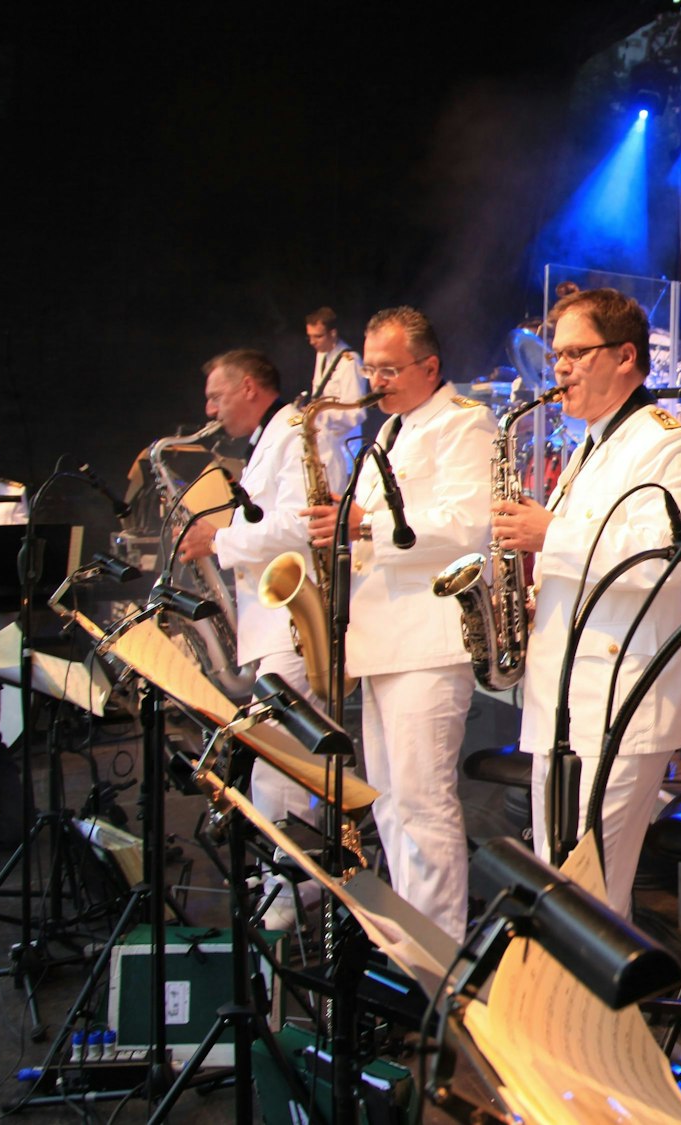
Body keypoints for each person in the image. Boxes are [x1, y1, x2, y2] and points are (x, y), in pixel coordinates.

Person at [492, 289, 681, 915]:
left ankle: (595, 1015)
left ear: (625, 357)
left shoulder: (668, 445)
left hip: (620, 698)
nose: (558, 368)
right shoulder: (589, 444)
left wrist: (549, 535)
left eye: (576, 353)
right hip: (563, 695)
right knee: (557, 886)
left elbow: (667, 564)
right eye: (557, 354)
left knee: (590, 899)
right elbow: (588, 565)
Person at [307, 306, 494, 937]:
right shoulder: (389, 432)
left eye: (389, 369)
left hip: (429, 641)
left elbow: (469, 526)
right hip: (383, 639)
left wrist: (364, 525)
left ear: (430, 366)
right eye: (372, 368)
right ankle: (408, 940)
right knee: (389, 804)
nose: (375, 381)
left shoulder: (464, 423)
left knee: (422, 802)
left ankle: (440, 958)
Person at [176, 349, 318, 919]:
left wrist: (219, 538)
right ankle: (290, 879)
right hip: (274, 620)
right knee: (278, 753)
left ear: (252, 387)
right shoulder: (270, 436)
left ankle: (288, 887)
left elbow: (299, 523)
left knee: (277, 754)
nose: (209, 409)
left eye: (217, 396)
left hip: (291, 619)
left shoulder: (291, 431)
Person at [305, 307, 371, 489]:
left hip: (343, 451)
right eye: (309, 336)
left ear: (333, 333)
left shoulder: (350, 362)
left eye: (317, 336)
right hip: (323, 448)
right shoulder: (321, 355)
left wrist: (318, 415)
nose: (312, 342)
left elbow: (356, 414)